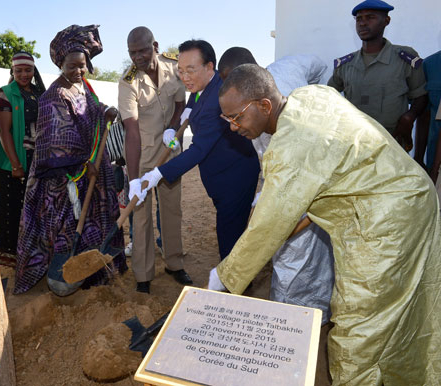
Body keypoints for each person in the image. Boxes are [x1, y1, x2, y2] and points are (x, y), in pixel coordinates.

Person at [213, 64, 441, 385]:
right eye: (227, 120)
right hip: (415, 195)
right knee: (407, 304)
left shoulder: (290, 147)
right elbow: (308, 198)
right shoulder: (312, 94)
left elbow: (269, 227)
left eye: (237, 117)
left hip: (386, 224)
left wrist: (225, 276)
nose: (234, 127)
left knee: (359, 326)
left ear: (265, 106)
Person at [218, 47, 334, 325]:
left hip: (309, 179)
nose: (234, 126)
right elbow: (267, 161)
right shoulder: (254, 108)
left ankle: (297, 321)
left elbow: (292, 193)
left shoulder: (284, 117)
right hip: (295, 176)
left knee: (294, 250)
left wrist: (326, 94)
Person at [14, 25, 126, 295]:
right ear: (61, 64)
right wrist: (81, 165)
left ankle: (96, 274)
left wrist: (106, 111)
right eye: (72, 66)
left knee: (94, 222)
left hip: (90, 169)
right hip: (64, 180)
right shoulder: (54, 96)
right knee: (68, 229)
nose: (79, 71)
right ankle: (70, 276)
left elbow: (91, 111)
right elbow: (56, 143)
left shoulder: (81, 87)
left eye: (82, 65)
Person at [130, 40, 260, 263]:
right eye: (180, 71)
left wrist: (157, 174)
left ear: (210, 67)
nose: (185, 77)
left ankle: (233, 289)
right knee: (231, 234)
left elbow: (198, 150)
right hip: (222, 175)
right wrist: (183, 117)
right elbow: (196, 96)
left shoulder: (221, 97)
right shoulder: (207, 84)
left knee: (230, 243)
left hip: (234, 179)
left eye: (191, 70)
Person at [118, 27, 188, 293]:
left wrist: (172, 127)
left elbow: (181, 104)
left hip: (169, 152)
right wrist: (134, 178)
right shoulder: (128, 81)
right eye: (132, 52)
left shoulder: (174, 68)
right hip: (144, 155)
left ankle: (174, 263)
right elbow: (132, 131)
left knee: (172, 210)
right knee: (142, 216)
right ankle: (143, 275)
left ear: (155, 46)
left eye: (142, 50)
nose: (137, 57)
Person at [327, 0, 427, 151]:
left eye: (370, 17)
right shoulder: (346, 65)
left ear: (386, 21)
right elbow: (327, 96)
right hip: (353, 145)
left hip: (391, 144)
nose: (362, 23)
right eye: (359, 19)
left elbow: (421, 95)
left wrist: (409, 117)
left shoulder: (404, 59)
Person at [0, 51, 46, 267]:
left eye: (28, 70)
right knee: (11, 209)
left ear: (34, 71)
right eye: (19, 70)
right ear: (12, 71)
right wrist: (16, 164)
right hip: (13, 161)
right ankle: (8, 257)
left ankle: (32, 254)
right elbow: (3, 131)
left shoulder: (38, 93)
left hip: (36, 160)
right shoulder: (5, 94)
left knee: (33, 208)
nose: (24, 74)